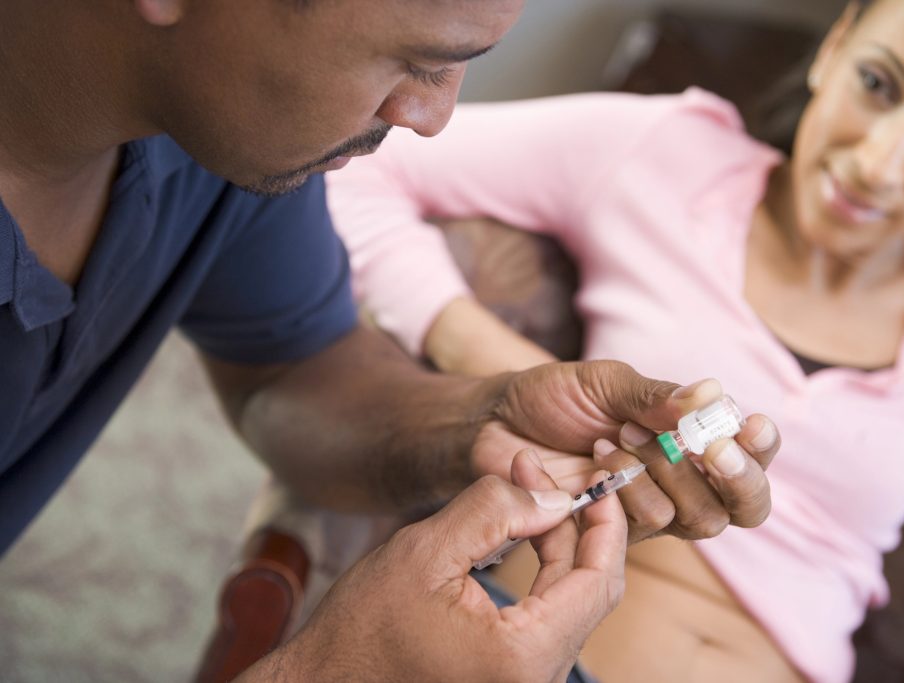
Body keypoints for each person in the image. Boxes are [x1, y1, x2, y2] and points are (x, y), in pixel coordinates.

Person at [0, 0, 783, 679]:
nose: (433, 118)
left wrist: (486, 421)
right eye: (419, 62)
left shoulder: (214, 134)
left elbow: (291, 369)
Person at [327, 0, 904, 680]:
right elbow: (361, 164)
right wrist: (488, 361)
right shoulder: (666, 154)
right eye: (877, 83)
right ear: (835, 46)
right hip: (535, 656)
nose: (878, 162)